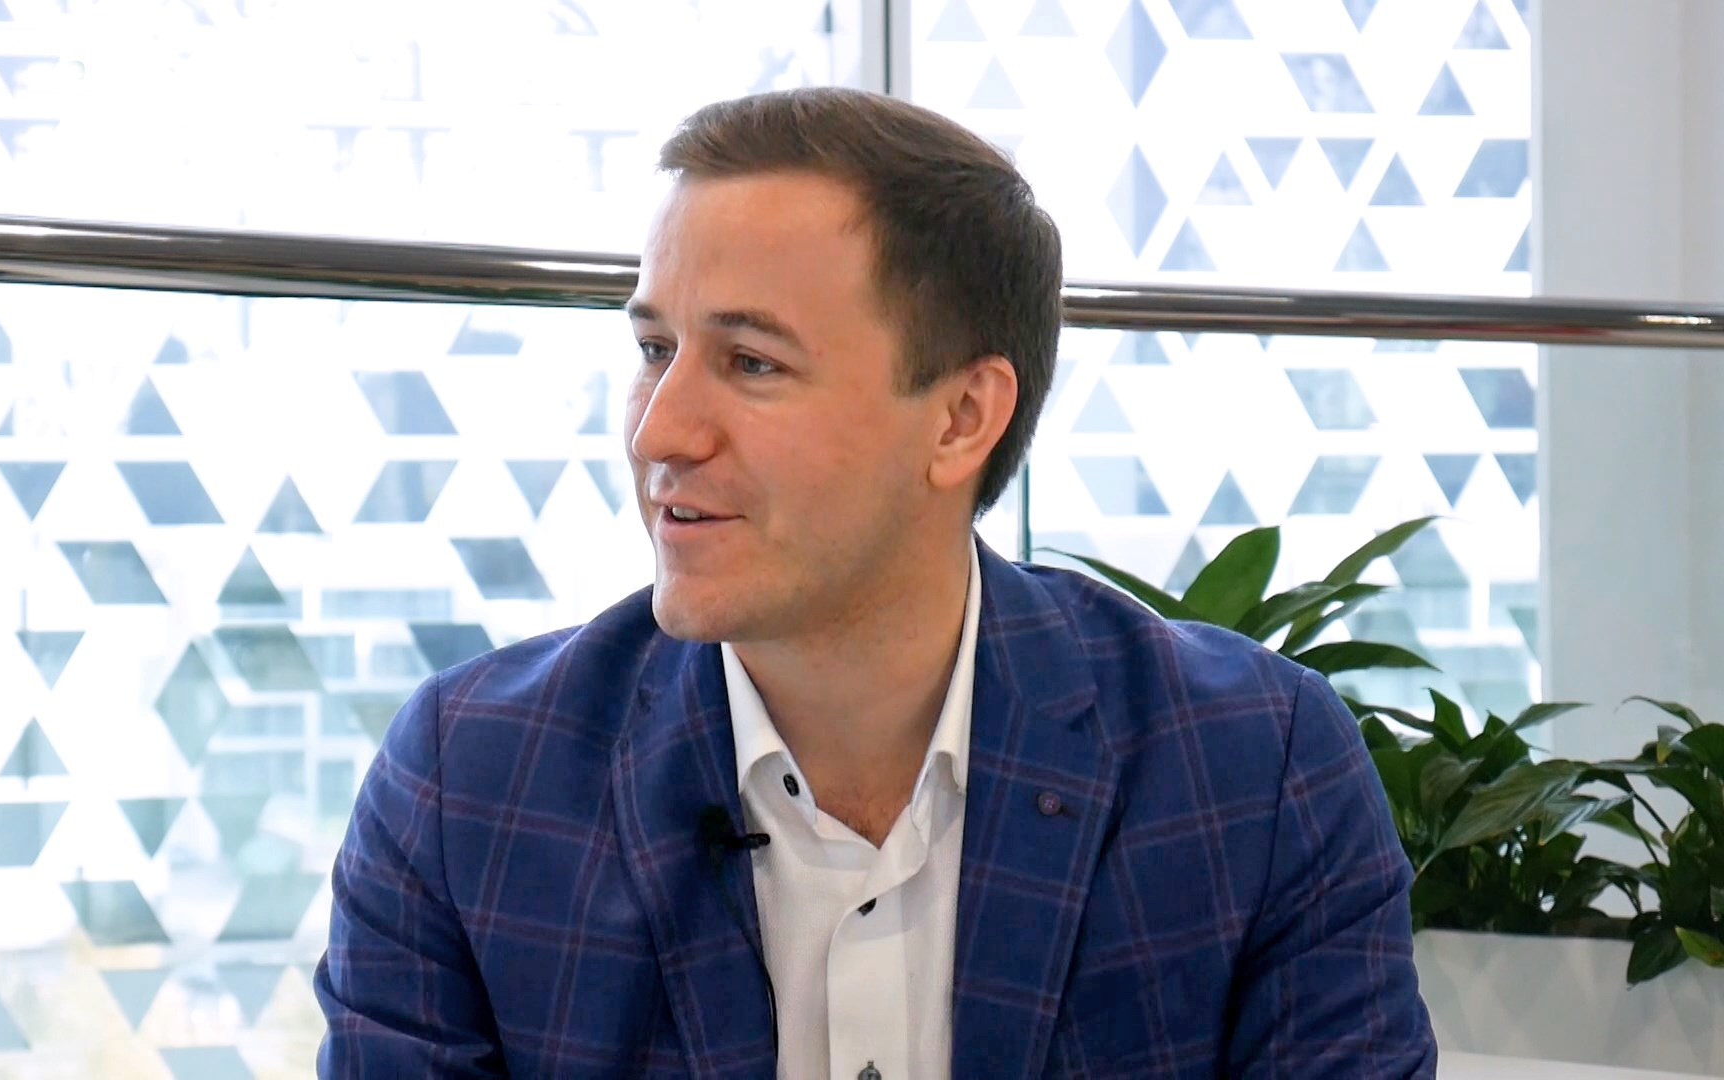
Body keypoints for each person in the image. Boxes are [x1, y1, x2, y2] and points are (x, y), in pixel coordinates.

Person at [313, 86, 1435, 1079]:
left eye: (752, 362)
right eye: (655, 350)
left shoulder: (1249, 770)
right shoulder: (472, 785)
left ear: (960, 419)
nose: (661, 432)